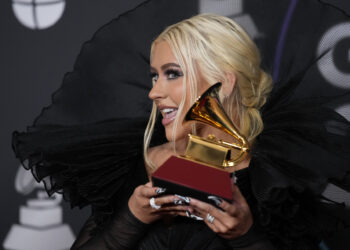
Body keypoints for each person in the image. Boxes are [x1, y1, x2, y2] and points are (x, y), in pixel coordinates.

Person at [13, 14, 350, 249]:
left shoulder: (277, 179)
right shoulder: (133, 164)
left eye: (172, 74)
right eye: (154, 76)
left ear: (225, 82)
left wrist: (246, 236)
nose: (154, 92)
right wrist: (131, 219)